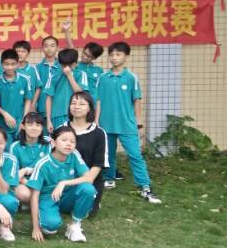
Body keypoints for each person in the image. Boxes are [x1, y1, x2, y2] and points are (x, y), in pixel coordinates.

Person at [95, 42, 162, 204]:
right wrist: (96, 122)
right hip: (106, 124)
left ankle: (145, 186)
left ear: (126, 57)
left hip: (127, 125)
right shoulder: (103, 78)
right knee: (108, 155)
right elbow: (98, 101)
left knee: (135, 155)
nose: (114, 58)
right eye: (112, 55)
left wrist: (139, 124)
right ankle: (109, 178)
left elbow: (136, 101)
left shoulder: (131, 78)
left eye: (118, 54)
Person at [27, 126, 97, 243]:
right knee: (50, 227)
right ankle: (48, 215)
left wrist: (63, 183)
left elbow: (89, 178)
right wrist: (35, 228)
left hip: (68, 194)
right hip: (48, 197)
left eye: (72, 141)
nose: (69, 144)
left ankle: (75, 225)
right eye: (64, 140)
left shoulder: (74, 155)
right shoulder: (43, 164)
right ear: (53, 143)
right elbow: (34, 196)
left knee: (88, 189)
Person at [68, 92, 108, 216]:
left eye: (82, 104)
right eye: (73, 103)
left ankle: (91, 199)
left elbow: (98, 164)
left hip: (89, 181)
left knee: (88, 212)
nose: (76, 106)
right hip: (65, 180)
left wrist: (88, 180)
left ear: (89, 108)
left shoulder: (99, 133)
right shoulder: (61, 130)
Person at [10, 112, 52, 208]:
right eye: (30, 124)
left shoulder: (49, 143)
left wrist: (29, 170)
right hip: (24, 182)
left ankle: (34, 202)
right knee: (23, 193)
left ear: (42, 128)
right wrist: (26, 178)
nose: (34, 128)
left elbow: (50, 168)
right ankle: (31, 202)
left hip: (44, 181)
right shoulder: (15, 147)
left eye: (38, 125)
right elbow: (14, 175)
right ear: (23, 126)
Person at [44, 48, 89, 131]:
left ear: (75, 64)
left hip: (76, 114)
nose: (65, 68)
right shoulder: (54, 75)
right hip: (57, 115)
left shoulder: (81, 74)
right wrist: (49, 120)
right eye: (63, 65)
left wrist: (69, 76)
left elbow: (80, 94)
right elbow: (48, 98)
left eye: (68, 65)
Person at [0, 49, 34, 144]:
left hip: (20, 124)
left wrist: (24, 120)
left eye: (13, 64)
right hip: (2, 125)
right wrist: (5, 114)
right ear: (1, 64)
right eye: (6, 64)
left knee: (20, 148)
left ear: (17, 64)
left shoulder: (25, 79)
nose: (10, 67)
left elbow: (28, 100)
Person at [33, 36, 60, 119]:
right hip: (41, 110)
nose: (49, 48)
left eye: (52, 46)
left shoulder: (63, 67)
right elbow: (36, 89)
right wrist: (34, 105)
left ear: (57, 48)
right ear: (42, 48)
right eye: (46, 46)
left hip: (60, 110)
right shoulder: (36, 68)